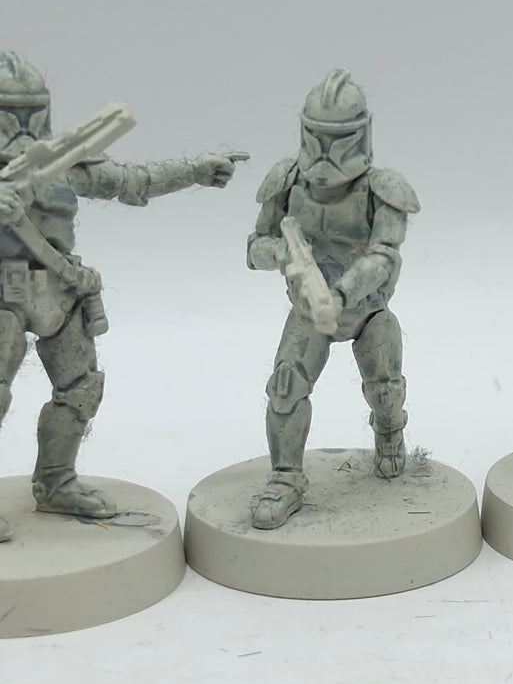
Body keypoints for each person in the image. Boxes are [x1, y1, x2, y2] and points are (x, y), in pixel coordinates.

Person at [0, 50, 244, 542]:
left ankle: (55, 481)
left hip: (58, 286)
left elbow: (132, 182)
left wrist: (195, 169)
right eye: (11, 115)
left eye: (33, 114)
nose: (24, 128)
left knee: (80, 389)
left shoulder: (61, 163)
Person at [246, 69, 419, 530]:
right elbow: (255, 247)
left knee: (385, 391)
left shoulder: (382, 190)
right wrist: (282, 253)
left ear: (361, 135)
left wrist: (342, 292)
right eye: (318, 137)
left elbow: (384, 257)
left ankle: (389, 433)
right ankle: (285, 477)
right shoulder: (286, 182)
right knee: (285, 387)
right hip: (307, 314)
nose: (325, 151)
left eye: (337, 139)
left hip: (367, 311)